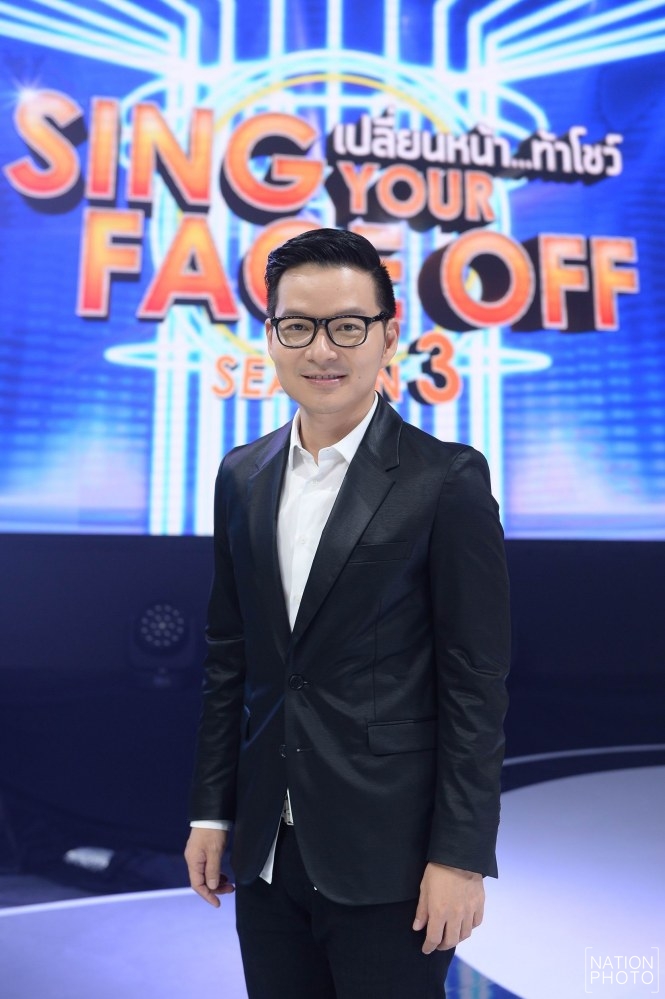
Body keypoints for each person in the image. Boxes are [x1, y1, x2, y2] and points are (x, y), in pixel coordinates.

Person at [184, 228, 510, 999]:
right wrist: (212, 812)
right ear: (270, 334)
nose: (322, 349)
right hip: (267, 847)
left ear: (388, 335)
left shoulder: (444, 479)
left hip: (391, 855)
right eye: (298, 326)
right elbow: (231, 655)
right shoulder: (241, 475)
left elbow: (474, 680)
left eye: (347, 326)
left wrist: (460, 854)